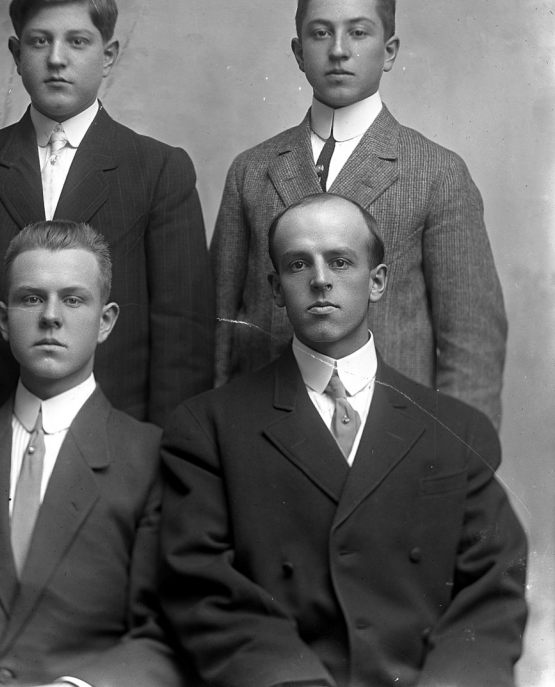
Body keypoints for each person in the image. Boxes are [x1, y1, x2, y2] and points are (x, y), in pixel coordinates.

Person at [160, 193, 527, 687]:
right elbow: (202, 589)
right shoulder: (209, 427)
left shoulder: (458, 430)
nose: (320, 280)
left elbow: (492, 591)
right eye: (298, 264)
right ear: (275, 288)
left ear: (377, 281)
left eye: (340, 261)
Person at [0, 0, 214, 437]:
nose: (57, 59)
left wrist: (164, 457)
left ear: (108, 55)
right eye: (39, 42)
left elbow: (184, 339)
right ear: (16, 54)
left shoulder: (158, 170)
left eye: (77, 42)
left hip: (111, 438)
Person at [211, 0, 506, 427]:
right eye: (321, 33)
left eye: (358, 33)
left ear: (389, 51)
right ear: (298, 51)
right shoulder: (252, 170)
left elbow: (471, 343)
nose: (338, 50)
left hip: (392, 434)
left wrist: (456, 458)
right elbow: (217, 323)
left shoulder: (437, 172)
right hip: (263, 427)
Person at [0, 220, 184, 687]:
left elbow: (164, 630)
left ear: (106, 321)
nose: (51, 317)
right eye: (31, 298)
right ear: (4, 320)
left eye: (73, 299)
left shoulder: (153, 460)